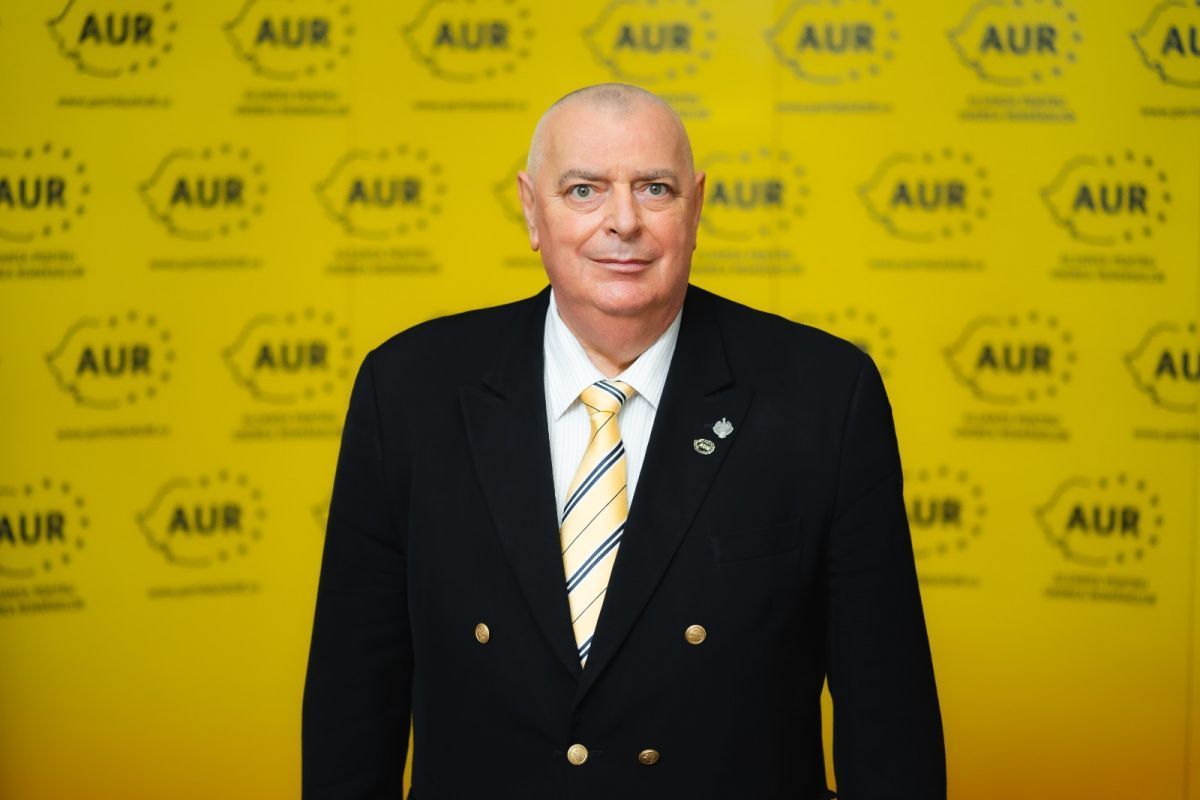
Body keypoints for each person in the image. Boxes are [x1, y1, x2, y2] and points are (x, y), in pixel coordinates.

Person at [302, 83, 945, 799]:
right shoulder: (409, 391)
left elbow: (889, 724)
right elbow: (351, 708)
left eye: (654, 189)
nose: (623, 222)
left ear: (696, 208)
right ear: (531, 210)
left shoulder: (824, 395)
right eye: (584, 190)